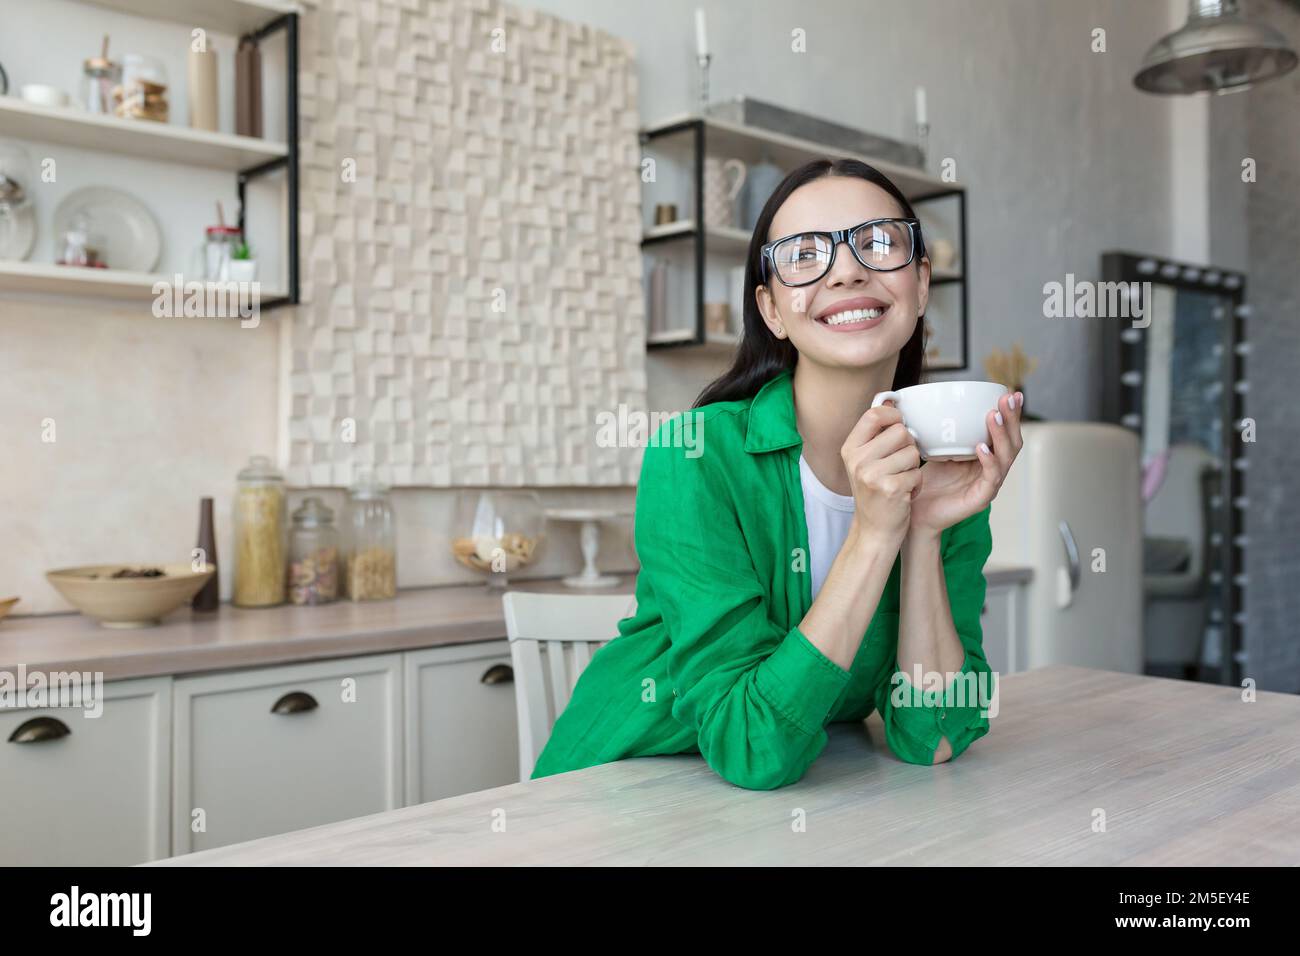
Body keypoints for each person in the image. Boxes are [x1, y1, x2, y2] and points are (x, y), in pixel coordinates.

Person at [532, 157, 1024, 790]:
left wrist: (922, 532)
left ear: (921, 283)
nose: (848, 269)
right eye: (804, 255)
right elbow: (752, 748)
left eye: (878, 243)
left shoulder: (941, 471)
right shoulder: (695, 456)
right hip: (610, 796)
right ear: (770, 308)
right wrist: (874, 537)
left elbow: (936, 735)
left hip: (774, 822)